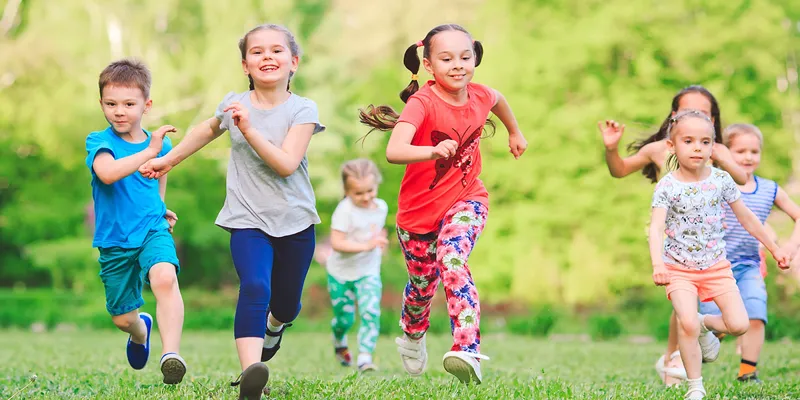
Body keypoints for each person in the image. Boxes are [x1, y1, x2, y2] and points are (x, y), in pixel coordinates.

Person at [139, 24, 324, 400]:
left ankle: (275, 326)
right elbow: (205, 131)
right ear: (245, 64)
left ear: (294, 62)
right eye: (257, 52)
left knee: (286, 303)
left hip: (296, 221)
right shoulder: (234, 104)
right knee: (255, 286)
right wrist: (167, 161)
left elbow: (286, 163)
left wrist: (250, 129)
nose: (267, 57)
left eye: (277, 51)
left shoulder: (303, 109)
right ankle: (251, 375)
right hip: (247, 218)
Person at [358, 23, 528, 384]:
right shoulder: (423, 103)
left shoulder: (480, 96)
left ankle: (467, 350)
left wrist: (515, 131)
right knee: (422, 285)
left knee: (452, 259)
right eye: (446, 58)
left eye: (466, 57)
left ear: (475, 58)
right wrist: (431, 150)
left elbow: (498, 99)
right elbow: (394, 150)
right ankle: (412, 333)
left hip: (467, 199)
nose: (458, 65)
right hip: (417, 216)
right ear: (429, 65)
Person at [598, 85, 748, 384]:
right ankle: (673, 361)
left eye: (704, 113)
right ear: (672, 117)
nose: (695, 115)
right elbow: (621, 170)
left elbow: (742, 178)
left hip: (713, 236)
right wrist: (612, 149)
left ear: (714, 120)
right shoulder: (659, 150)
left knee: (702, 309)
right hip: (672, 236)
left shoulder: (714, 149)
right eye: (686, 111)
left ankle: (681, 353)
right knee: (683, 303)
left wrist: (723, 155)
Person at [648, 110, 790, 399]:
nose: (697, 147)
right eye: (688, 141)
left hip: (716, 267)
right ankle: (695, 387)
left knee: (739, 325)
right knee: (685, 321)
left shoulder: (721, 180)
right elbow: (656, 227)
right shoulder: (667, 186)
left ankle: (704, 323)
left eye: (705, 141)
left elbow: (748, 218)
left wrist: (774, 248)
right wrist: (657, 264)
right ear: (672, 146)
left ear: (714, 147)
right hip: (678, 268)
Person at [86, 59, 186, 384]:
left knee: (164, 278)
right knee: (121, 318)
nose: (119, 111)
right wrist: (151, 150)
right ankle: (141, 331)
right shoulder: (99, 142)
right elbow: (108, 173)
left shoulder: (161, 146)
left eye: (129, 104)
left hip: (151, 230)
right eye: (111, 103)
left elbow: (157, 180)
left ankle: (171, 354)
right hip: (114, 241)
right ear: (101, 103)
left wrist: (161, 208)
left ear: (147, 104)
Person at [697, 123, 800, 383]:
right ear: (724, 153)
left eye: (754, 151)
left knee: (756, 314)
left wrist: (789, 246)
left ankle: (747, 371)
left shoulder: (769, 189)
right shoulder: (714, 183)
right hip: (712, 267)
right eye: (740, 150)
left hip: (748, 265)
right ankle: (696, 349)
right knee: (717, 321)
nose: (748, 157)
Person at [325, 159, 389, 372]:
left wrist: (379, 242)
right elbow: (337, 243)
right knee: (345, 318)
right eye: (358, 193)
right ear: (347, 190)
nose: (366, 197)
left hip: (368, 271)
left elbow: (374, 231)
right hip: (340, 273)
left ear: (376, 185)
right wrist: (367, 245)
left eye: (370, 190)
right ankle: (339, 338)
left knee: (371, 311)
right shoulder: (344, 211)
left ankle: (364, 356)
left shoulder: (381, 207)